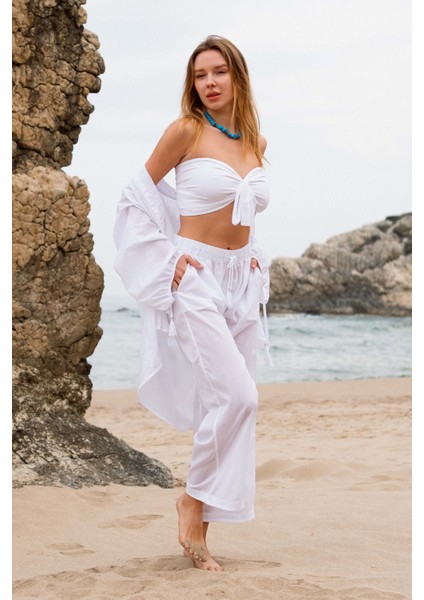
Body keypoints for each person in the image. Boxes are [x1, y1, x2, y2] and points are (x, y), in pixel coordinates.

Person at [114, 35, 272, 572]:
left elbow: (245, 212)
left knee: (222, 405)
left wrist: (253, 258)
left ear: (237, 76)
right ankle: (191, 500)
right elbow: (135, 196)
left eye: (219, 72)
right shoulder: (185, 130)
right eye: (200, 74)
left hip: (242, 280)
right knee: (239, 398)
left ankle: (202, 528)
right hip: (196, 277)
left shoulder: (256, 142)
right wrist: (166, 259)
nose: (209, 82)